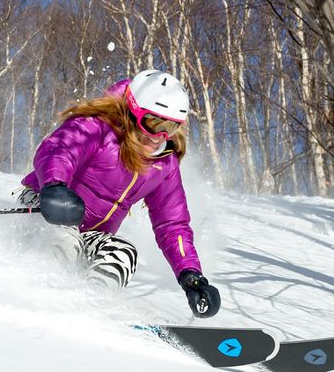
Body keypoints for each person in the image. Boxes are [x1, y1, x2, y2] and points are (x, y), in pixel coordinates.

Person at [17, 69, 221, 318]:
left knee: (123, 254)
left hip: (89, 234)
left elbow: (172, 225)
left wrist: (190, 275)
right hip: (46, 204)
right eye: (154, 123)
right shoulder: (97, 127)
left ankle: (88, 309)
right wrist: (54, 185)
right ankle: (38, 296)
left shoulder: (164, 164)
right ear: (133, 111)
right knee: (65, 238)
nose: (159, 137)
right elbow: (59, 149)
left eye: (171, 127)